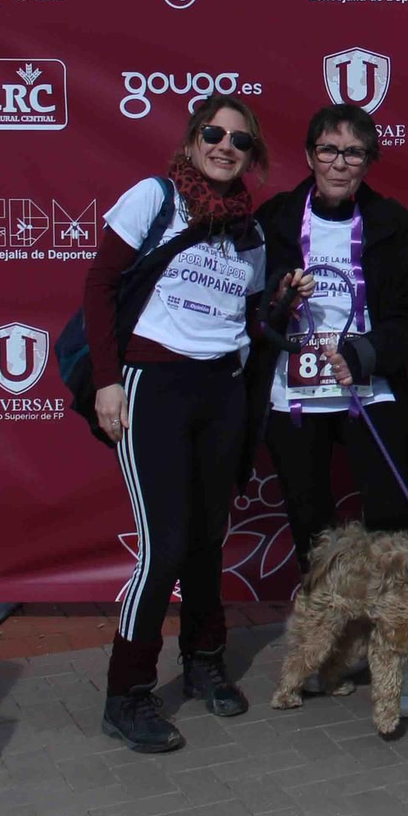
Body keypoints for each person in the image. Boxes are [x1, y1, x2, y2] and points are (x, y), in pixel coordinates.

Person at [82, 95, 276, 753]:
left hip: (220, 390)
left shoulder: (250, 231)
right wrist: (108, 379)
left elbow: (245, 320)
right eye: (214, 133)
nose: (226, 146)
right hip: (152, 386)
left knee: (204, 541)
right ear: (194, 138)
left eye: (240, 141)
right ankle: (127, 692)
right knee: (163, 547)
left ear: (253, 156)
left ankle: (203, 662)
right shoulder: (153, 198)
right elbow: (99, 286)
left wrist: (278, 308)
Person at [248, 103, 408, 713]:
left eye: (353, 152)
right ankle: (327, 650)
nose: (338, 162)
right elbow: (248, 311)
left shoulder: (390, 222)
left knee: (390, 534)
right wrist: (279, 299)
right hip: (294, 397)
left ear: (368, 162)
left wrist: (368, 351)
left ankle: (400, 655)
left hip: (368, 392)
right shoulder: (276, 217)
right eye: (328, 150)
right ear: (308, 156)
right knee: (314, 531)